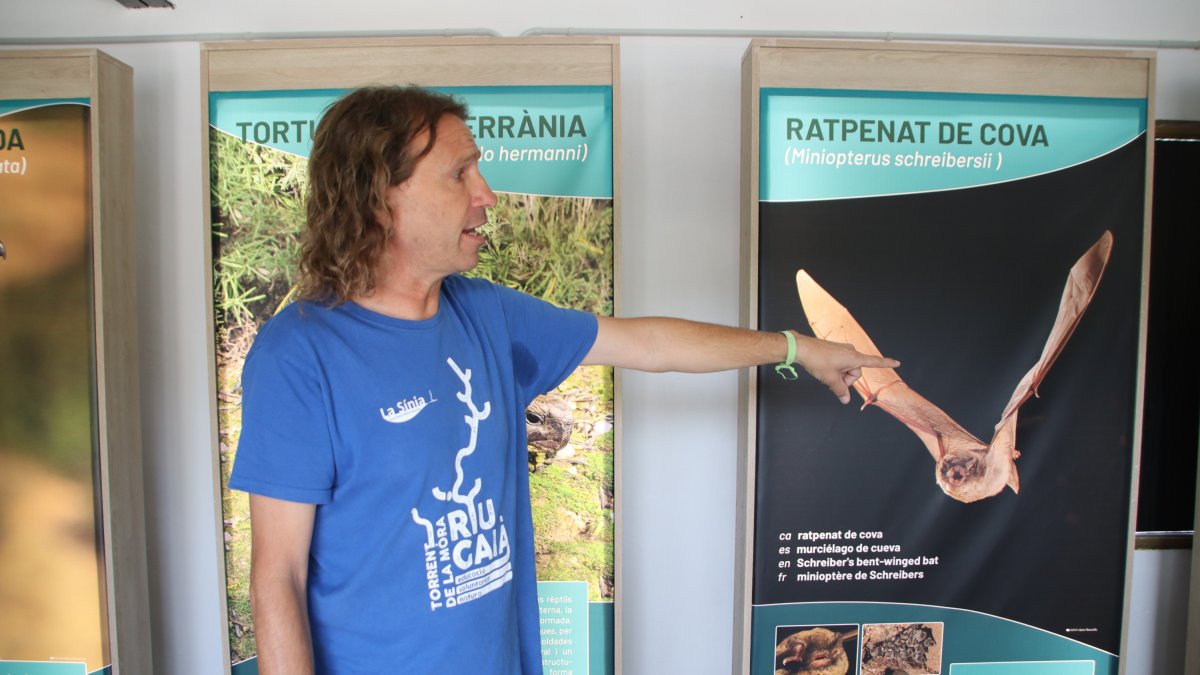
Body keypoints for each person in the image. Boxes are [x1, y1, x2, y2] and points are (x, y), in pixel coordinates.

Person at [229, 86, 898, 675]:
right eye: (460, 173)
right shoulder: (299, 355)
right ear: (380, 198)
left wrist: (795, 347)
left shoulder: (485, 313)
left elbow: (649, 343)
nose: (486, 195)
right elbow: (277, 578)